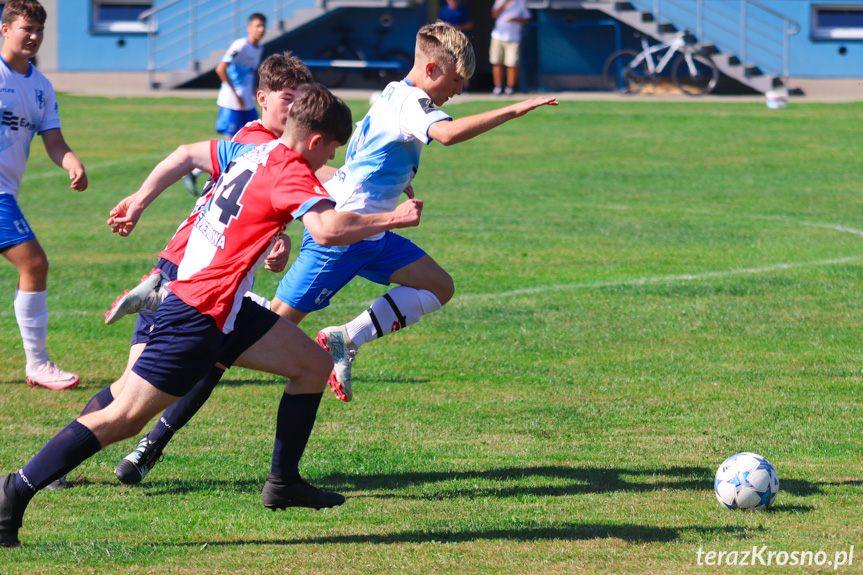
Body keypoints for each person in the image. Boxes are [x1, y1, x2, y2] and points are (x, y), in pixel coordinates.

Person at [0, 83, 423, 548]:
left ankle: (283, 481)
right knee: (125, 417)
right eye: (331, 152)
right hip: (200, 309)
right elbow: (325, 230)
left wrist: (142, 201)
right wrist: (393, 218)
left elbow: (189, 154)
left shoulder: (250, 151)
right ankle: (14, 490)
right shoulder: (292, 171)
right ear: (318, 141)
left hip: (227, 304)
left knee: (313, 366)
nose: (327, 163)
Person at [93, 52, 313, 488]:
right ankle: (118, 452)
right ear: (262, 99)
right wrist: (138, 202)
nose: (295, 110)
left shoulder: (277, 149)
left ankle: (145, 448)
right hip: (193, 271)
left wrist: (278, 238)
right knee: (137, 393)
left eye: (300, 100)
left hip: (208, 275)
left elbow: (251, 211)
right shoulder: (258, 144)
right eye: (287, 99)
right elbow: (191, 162)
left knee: (182, 373)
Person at [0, 0, 88, 391]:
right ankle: (37, 364)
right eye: (25, 28)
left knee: (33, 265)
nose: (33, 36)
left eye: (39, 30)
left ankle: (37, 363)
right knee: (33, 263)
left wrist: (71, 161)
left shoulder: (40, 87)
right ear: (4, 29)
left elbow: (53, 140)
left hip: (7, 192)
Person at [183, 12, 267, 197]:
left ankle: (200, 172)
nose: (260, 29)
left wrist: (251, 92)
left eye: (263, 26)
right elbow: (221, 68)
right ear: (249, 28)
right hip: (232, 103)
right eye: (257, 26)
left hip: (247, 102)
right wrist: (234, 92)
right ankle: (204, 174)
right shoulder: (240, 45)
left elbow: (250, 74)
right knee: (231, 144)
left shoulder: (258, 48)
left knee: (258, 138)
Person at [490, 0, 530, 96]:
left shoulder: (521, 2)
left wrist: (514, 20)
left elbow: (527, 19)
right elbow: (494, 14)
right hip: (498, 37)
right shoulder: (500, 1)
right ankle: (498, 87)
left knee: (512, 63)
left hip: (514, 38)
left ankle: (510, 87)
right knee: (496, 62)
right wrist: (504, 3)